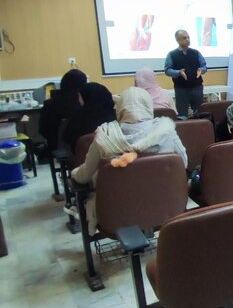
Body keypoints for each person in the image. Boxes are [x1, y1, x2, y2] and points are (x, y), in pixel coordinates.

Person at [70, 87, 188, 235]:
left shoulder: (105, 135)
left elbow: (84, 176)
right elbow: (183, 163)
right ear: (148, 105)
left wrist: (73, 174)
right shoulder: (167, 130)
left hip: (118, 215)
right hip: (166, 208)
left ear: (119, 108)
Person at [40, 69, 88, 152]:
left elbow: (42, 131)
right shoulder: (84, 105)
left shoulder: (49, 105)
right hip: (82, 147)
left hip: (56, 147)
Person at [164, 29, 207, 117]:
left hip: (197, 87)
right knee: (182, 114)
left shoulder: (196, 53)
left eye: (188, 37)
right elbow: (167, 70)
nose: (187, 39)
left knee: (199, 113)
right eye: (184, 38)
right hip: (181, 89)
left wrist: (201, 70)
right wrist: (178, 72)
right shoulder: (172, 54)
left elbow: (204, 66)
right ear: (177, 40)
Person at [61, 83, 116, 148]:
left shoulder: (78, 117)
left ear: (86, 97)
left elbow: (67, 141)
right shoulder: (116, 115)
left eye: (79, 96)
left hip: (83, 154)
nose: (78, 99)